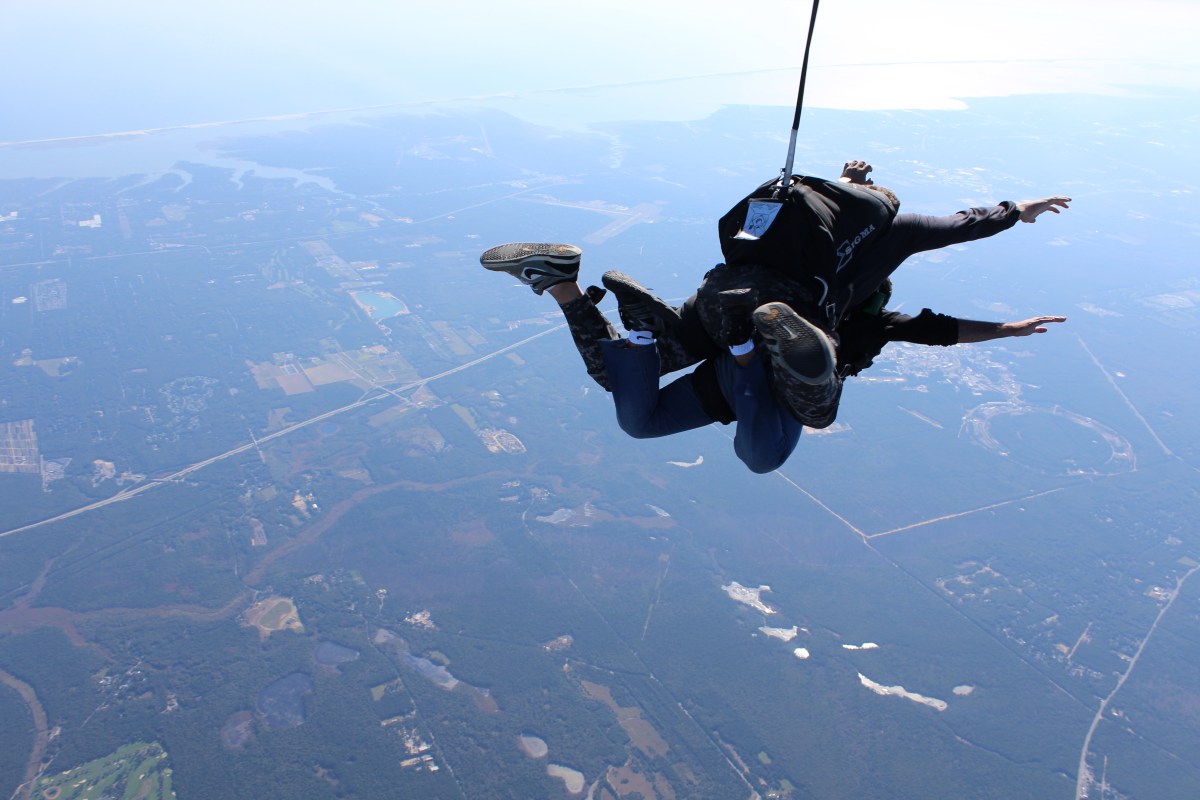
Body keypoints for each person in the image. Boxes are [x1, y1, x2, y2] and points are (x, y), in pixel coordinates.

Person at [479, 243, 1065, 474]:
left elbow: (841, 244)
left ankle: (568, 288)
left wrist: (1007, 329)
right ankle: (747, 357)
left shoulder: (834, 298)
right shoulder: (870, 322)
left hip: (729, 375)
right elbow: (937, 331)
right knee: (768, 451)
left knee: (634, 413)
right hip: (766, 388)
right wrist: (1005, 330)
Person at [479, 243, 801, 473]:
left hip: (724, 312)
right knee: (763, 459)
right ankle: (745, 348)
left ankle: (570, 287)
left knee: (624, 389)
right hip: (772, 341)